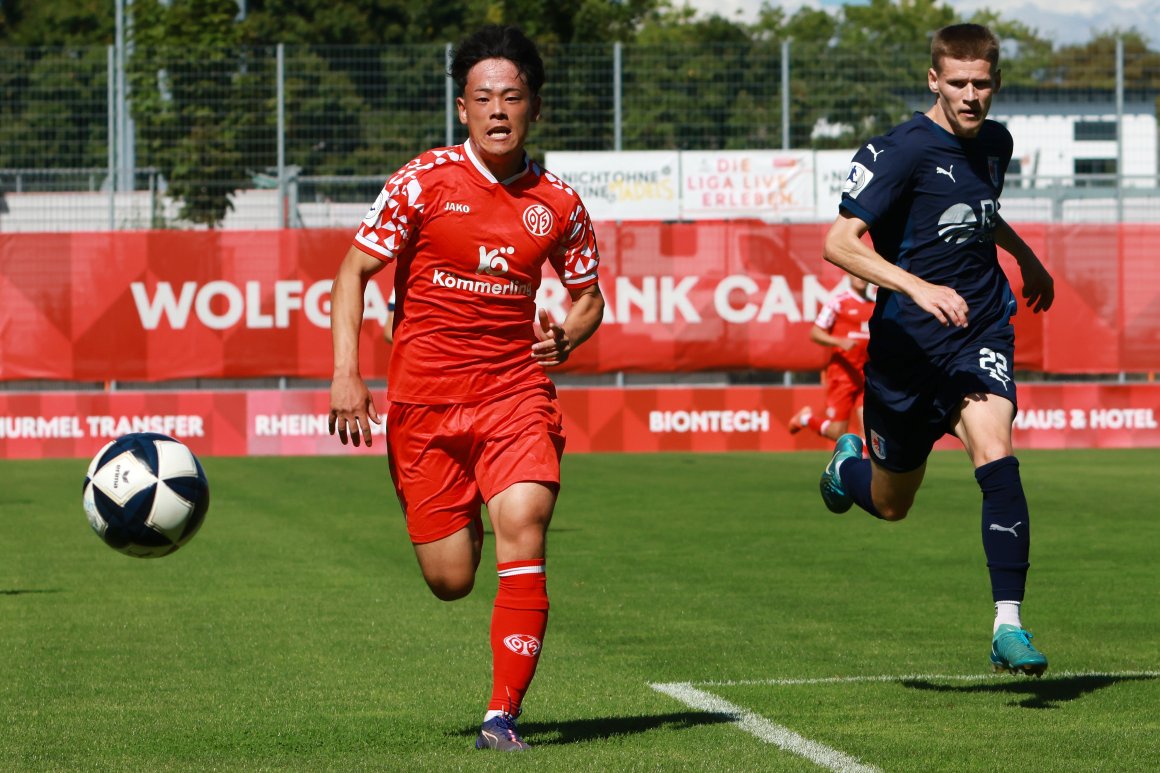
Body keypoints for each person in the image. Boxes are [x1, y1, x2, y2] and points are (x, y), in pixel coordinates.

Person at [327, 25, 604, 751]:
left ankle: (501, 716)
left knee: (526, 523)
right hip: (424, 405)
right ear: (462, 107)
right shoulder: (422, 182)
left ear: (535, 108)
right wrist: (347, 372)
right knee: (450, 578)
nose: (498, 110)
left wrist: (570, 332)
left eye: (512, 96)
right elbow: (352, 271)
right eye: (484, 97)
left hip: (514, 394)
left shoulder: (561, 204)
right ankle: (465, 515)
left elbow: (589, 296)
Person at [818, 23, 1055, 676]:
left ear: (996, 83)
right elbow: (838, 242)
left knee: (996, 451)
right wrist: (915, 285)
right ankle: (845, 469)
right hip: (904, 352)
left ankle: (1008, 622)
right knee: (893, 503)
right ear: (934, 80)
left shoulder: (997, 143)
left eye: (982, 83)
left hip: (977, 333)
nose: (971, 95)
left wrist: (1024, 255)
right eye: (958, 83)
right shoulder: (899, 149)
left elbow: (979, 207)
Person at [789, 274, 873, 441]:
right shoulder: (838, 302)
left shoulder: (875, 305)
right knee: (837, 433)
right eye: (857, 275)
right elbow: (815, 333)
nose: (861, 278)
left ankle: (863, 466)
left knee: (870, 431)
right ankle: (805, 419)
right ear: (849, 275)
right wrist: (839, 342)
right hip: (842, 375)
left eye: (864, 275)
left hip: (865, 375)